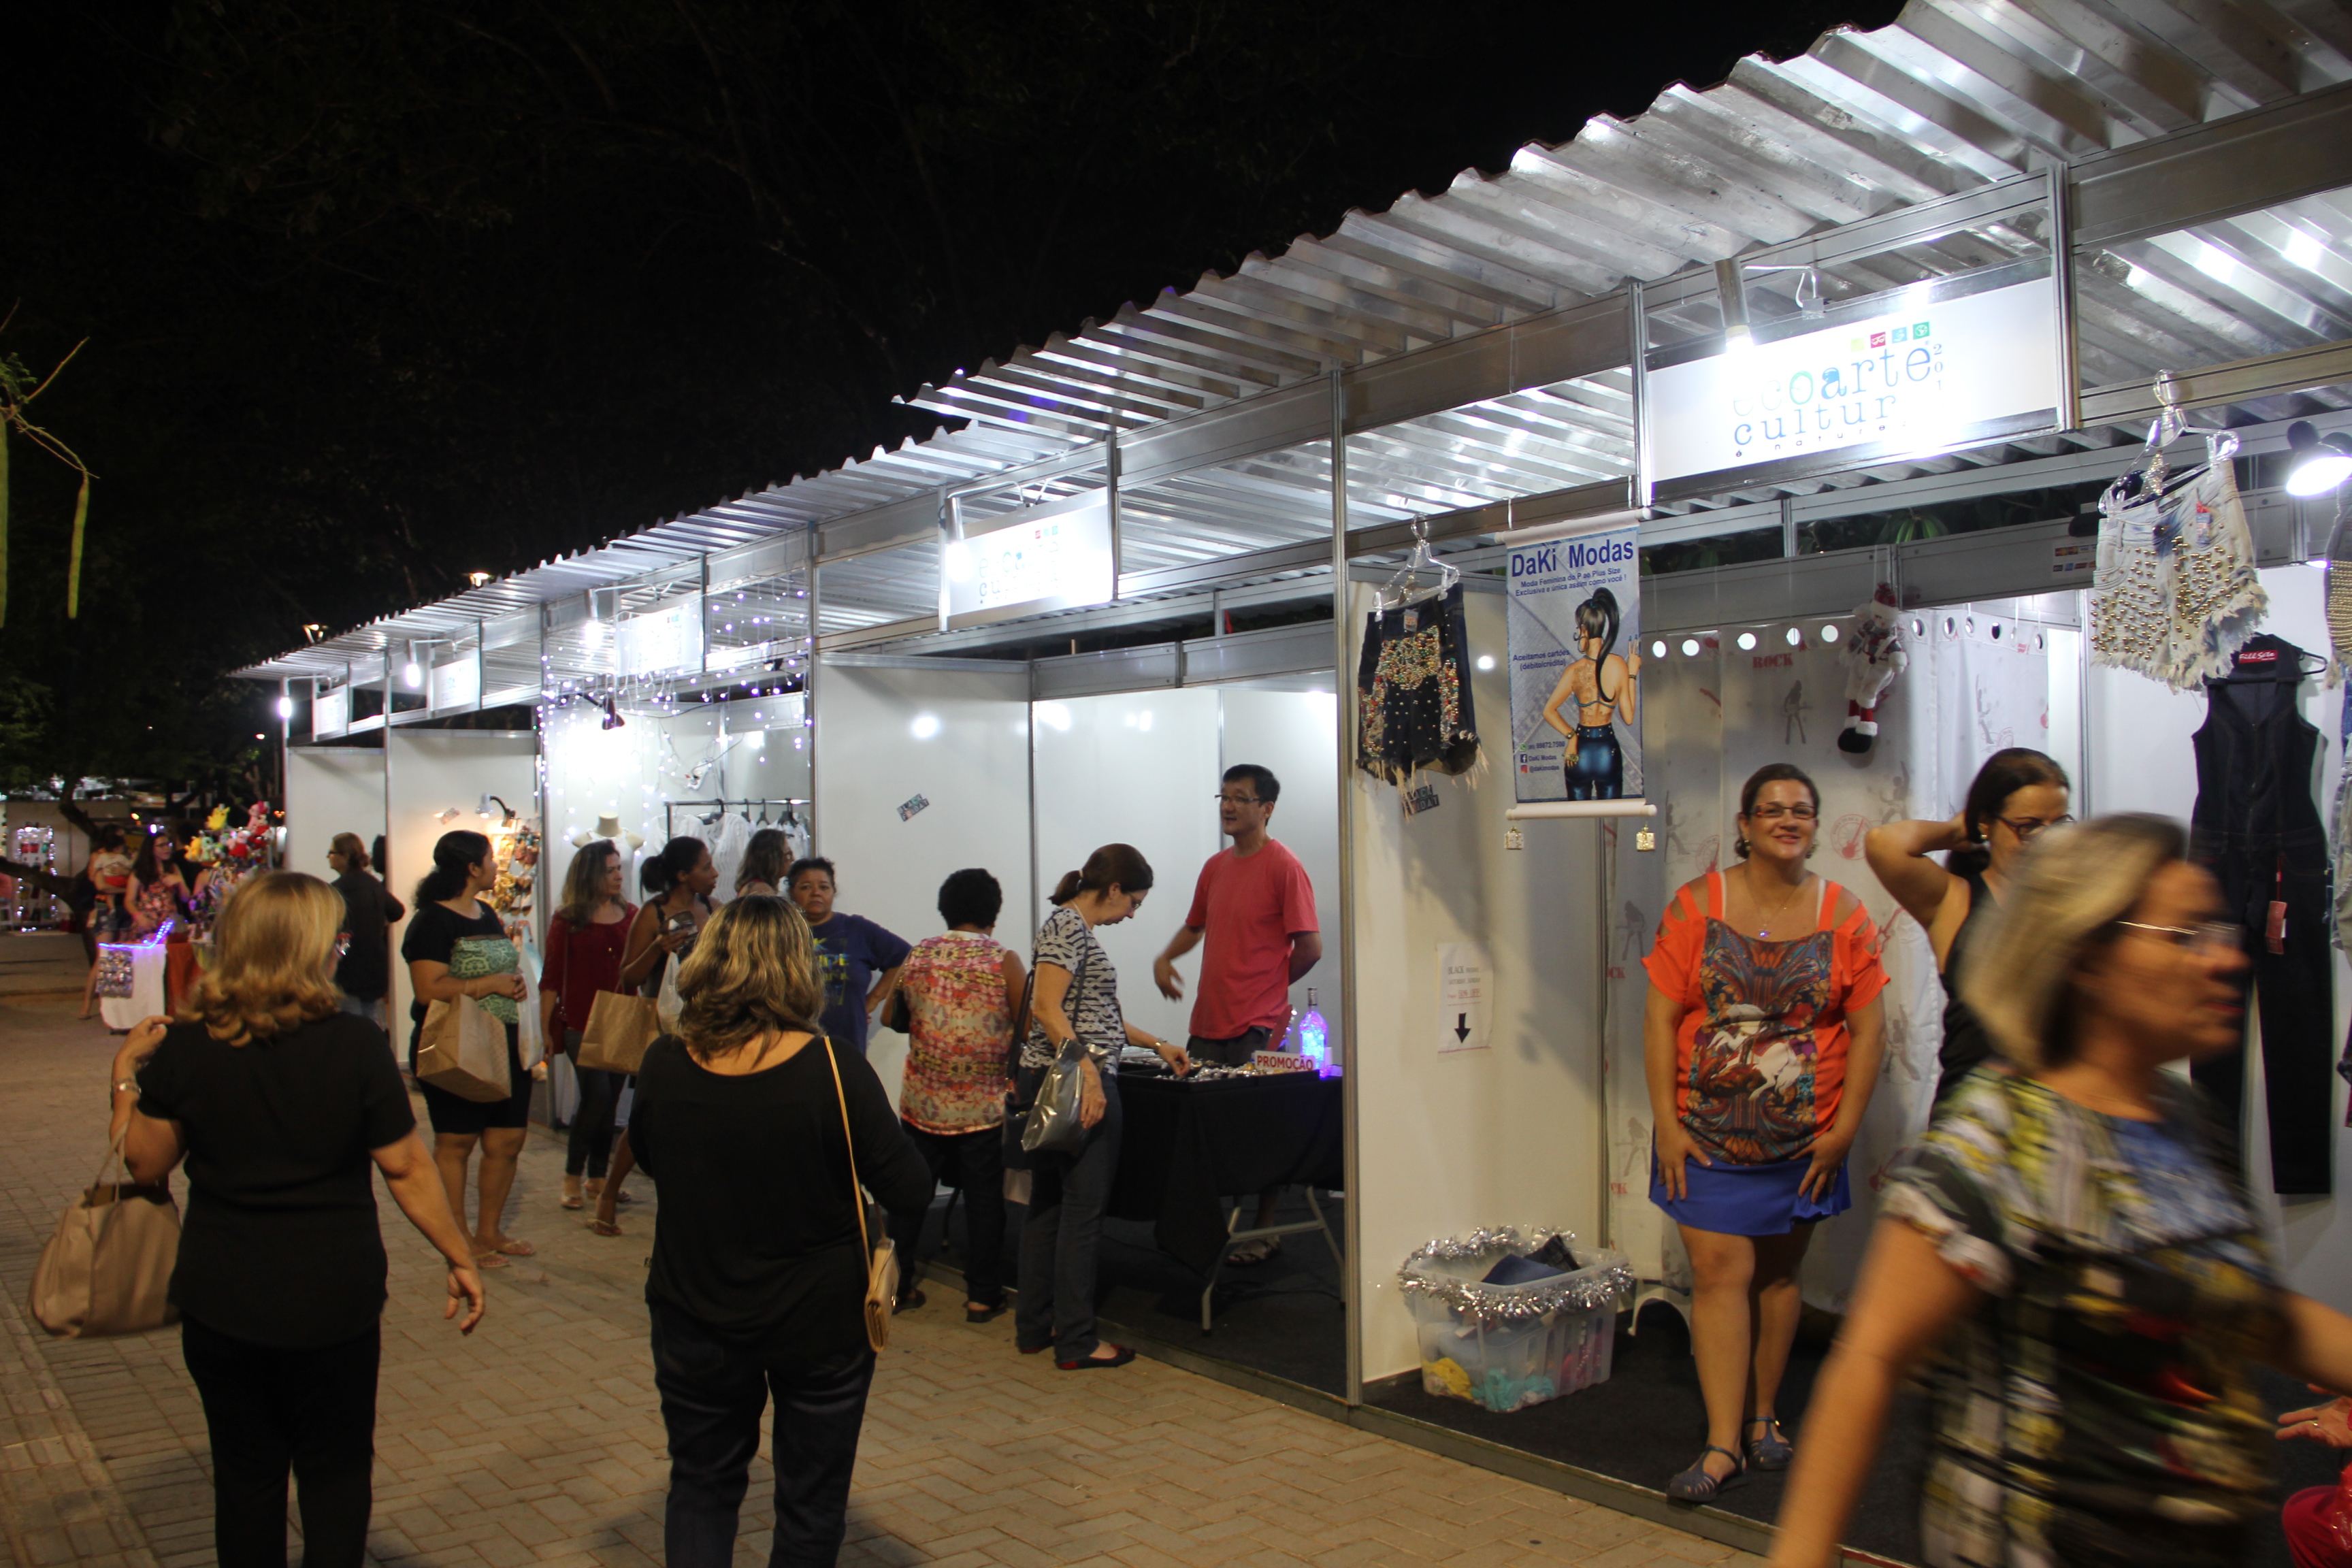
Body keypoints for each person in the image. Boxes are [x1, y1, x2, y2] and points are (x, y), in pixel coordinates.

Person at [1767, 813, 2352, 1568]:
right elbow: (1869, 1364)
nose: (2224, 960)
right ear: (2088, 957)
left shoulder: (2186, 1120)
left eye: (2217, 933)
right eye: (2185, 936)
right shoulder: (2001, 1138)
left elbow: (2245, 1309)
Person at [107, 870, 485, 1568]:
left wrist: (127, 1077)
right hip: (333, 1295)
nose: (341, 950)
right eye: (336, 939)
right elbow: (407, 1167)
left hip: (223, 1296)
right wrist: (457, 1254)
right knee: (336, 1471)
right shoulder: (356, 1045)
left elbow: (144, 1163)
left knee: (245, 1477)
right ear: (311, 949)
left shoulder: (189, 1045)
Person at [628, 894, 931, 1568]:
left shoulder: (665, 1063)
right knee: (811, 1504)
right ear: (799, 969)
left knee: (701, 1485)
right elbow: (910, 1190)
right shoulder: (834, 1069)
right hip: (820, 1322)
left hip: (694, 1307)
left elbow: (650, 1159)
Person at [1644, 762, 1887, 1501]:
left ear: (1814, 826)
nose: (1788, 821)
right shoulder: (1695, 906)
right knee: (1721, 1272)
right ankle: (1722, 1444)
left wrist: (1845, 1131)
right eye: (1773, 810)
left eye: (1802, 811)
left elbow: (1869, 1031)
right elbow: (1658, 1019)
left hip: (1804, 1140)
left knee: (1781, 1276)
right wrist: (1666, 1126)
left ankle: (1763, 1418)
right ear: (1745, 825)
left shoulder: (1846, 914)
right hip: (1703, 1133)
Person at [1018, 845, 1192, 1369]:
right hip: (1075, 1085)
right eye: (1134, 902)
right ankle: (1076, 1339)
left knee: (1050, 1206)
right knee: (1081, 1213)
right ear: (1113, 889)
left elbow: (1098, 1016)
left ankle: (1036, 1325)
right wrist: (1089, 1073)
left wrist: (1156, 1043)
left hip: (1056, 1079)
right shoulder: (1068, 928)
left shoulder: (1071, 929)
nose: (1133, 914)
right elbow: (1045, 1008)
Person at [1152, 762, 1322, 1263]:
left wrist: (1270, 987)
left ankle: (1264, 1230)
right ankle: (1204, 1232)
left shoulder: (1285, 867)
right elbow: (1195, 926)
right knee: (1205, 1133)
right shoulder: (1216, 867)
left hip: (1259, 1023)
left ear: (1266, 809)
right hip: (1209, 1019)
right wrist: (1165, 958)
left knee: (1261, 1129)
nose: (1227, 806)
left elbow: (1310, 947)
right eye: (1223, 797)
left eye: (1239, 798)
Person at [1863, 748, 2070, 1107]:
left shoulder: (2075, 903)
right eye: (2029, 827)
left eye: (2059, 826)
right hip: (1972, 1112)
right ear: (1988, 824)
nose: (2046, 842)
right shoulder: (1955, 898)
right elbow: (1883, 843)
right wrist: (1958, 829)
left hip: (2054, 1110)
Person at [887, 868, 1027, 1320]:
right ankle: (982, 1295)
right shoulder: (1004, 961)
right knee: (984, 1201)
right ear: (994, 914)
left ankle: (896, 1286)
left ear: (944, 909)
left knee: (911, 1195)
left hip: (923, 1102)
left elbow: (891, 1017)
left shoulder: (918, 955)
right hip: (982, 1108)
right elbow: (1027, 1027)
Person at [402, 830, 536, 1269]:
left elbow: (501, 969)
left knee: (507, 1139)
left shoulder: (486, 912)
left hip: (504, 1041)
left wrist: (513, 984)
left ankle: (489, 1231)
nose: (497, 867)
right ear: (472, 868)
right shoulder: (431, 921)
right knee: (457, 1142)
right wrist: (489, 984)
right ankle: (459, 1239)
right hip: (456, 1044)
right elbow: (427, 990)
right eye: (490, 859)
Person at [593, 836, 719, 1235]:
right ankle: (609, 1191)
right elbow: (628, 976)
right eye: (706, 867)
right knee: (647, 1115)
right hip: (665, 1030)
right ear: (682, 875)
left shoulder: (712, 908)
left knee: (705, 1115)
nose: (715, 873)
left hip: (709, 1026)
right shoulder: (654, 912)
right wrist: (659, 948)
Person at [540, 839, 636, 1211]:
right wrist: (547, 1029)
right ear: (591, 875)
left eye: (619, 869)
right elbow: (551, 977)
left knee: (611, 1099)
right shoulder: (568, 920)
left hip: (622, 1017)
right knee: (596, 1096)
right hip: (580, 1019)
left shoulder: (630, 914)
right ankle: (572, 1174)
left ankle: (598, 1176)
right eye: (610, 870)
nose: (618, 876)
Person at [786, 858, 911, 1060]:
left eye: (824, 887)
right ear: (792, 893)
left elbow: (906, 958)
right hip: (791, 1049)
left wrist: (872, 1000)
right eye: (805, 887)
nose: (816, 893)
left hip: (847, 1048)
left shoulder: (856, 929)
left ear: (833, 891)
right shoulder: (781, 933)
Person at [1540, 587, 1641, 801]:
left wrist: (1571, 736)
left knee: (1578, 814)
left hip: (1580, 750)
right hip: (1607, 750)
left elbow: (1549, 710)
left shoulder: (1574, 671)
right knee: (1611, 813)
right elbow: (1629, 717)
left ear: (1584, 629)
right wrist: (1632, 674)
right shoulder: (1619, 665)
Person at [327, 832, 404, 1034]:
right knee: (370, 1021)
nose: (329, 857)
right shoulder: (373, 884)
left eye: (332, 852)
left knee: (350, 1026)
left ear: (345, 856)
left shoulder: (337, 890)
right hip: (374, 964)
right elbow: (397, 911)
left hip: (348, 967)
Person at [79, 825, 133, 1020]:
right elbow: (100, 884)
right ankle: (87, 1005)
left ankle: (116, 1004)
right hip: (106, 906)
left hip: (122, 907)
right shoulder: (100, 857)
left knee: (121, 955)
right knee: (103, 957)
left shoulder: (124, 858)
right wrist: (126, 890)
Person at [734, 827, 789, 899]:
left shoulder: (759, 887)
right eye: (788, 854)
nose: (793, 859)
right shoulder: (761, 890)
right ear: (773, 858)